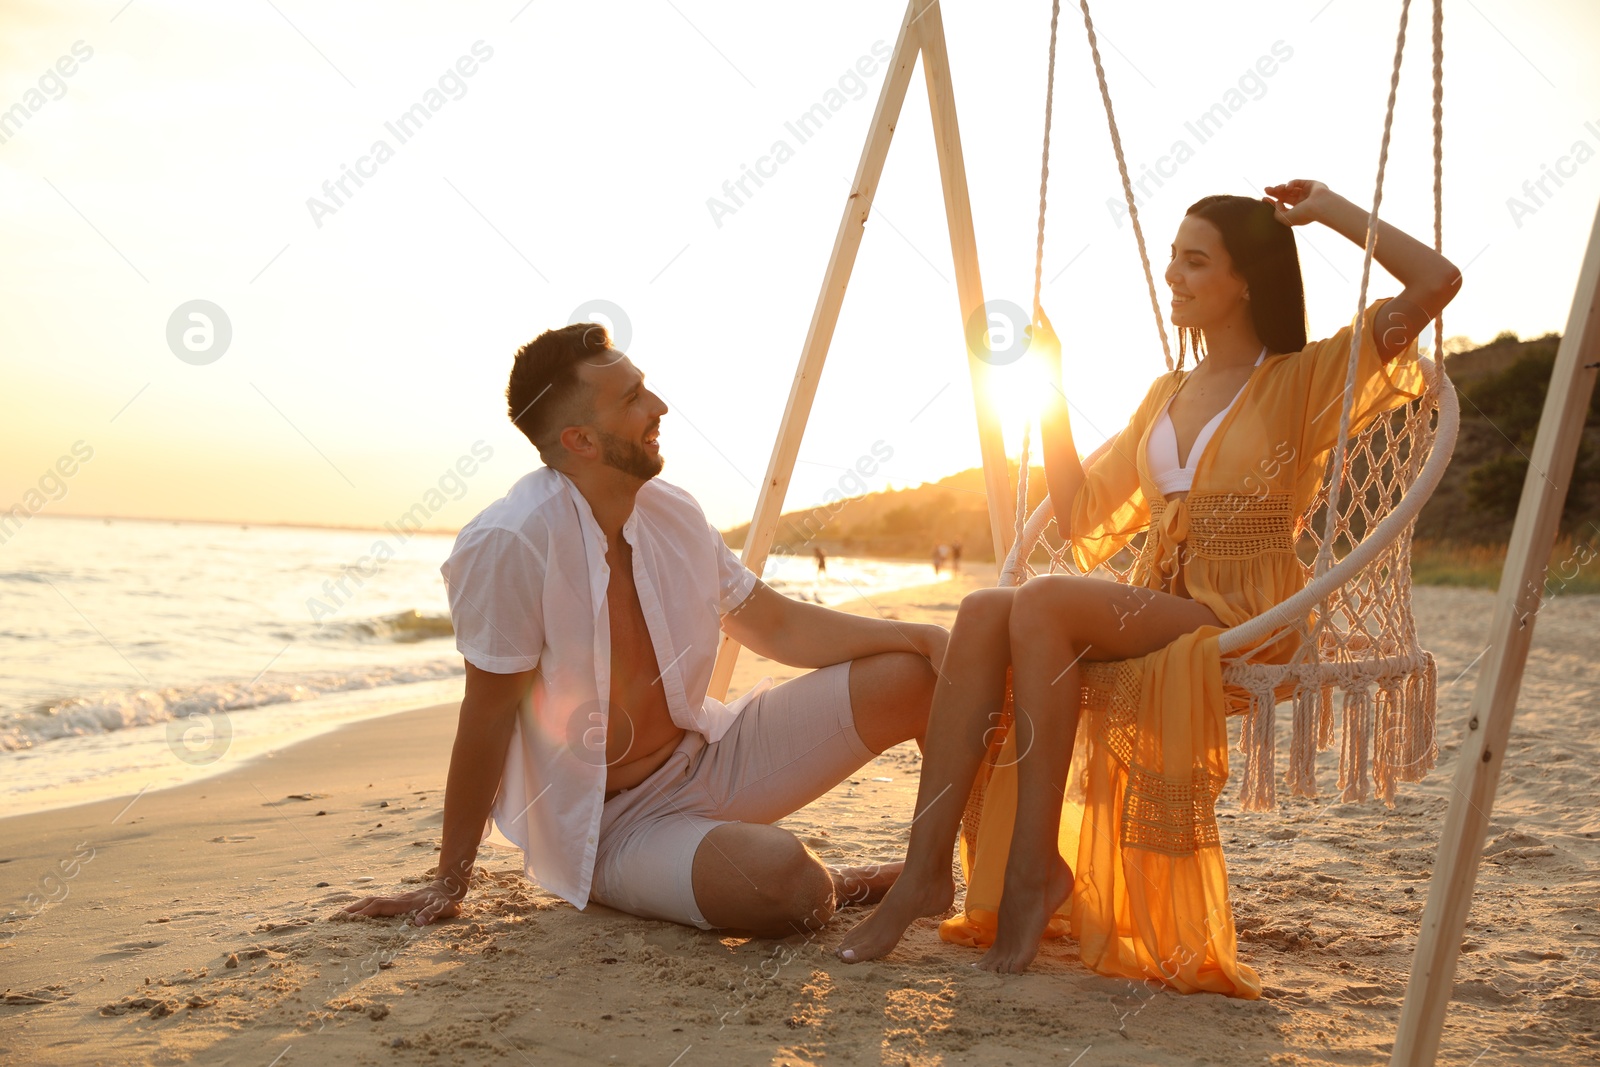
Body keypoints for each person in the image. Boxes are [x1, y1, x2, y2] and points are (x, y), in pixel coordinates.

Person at [835, 180, 1461, 993]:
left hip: (1247, 611)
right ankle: (926, 868)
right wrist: (1048, 383)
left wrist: (1330, 210)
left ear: (1246, 280)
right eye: (1172, 258)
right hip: (1164, 600)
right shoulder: (1166, 393)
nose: (1173, 275)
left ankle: (1032, 871)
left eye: (1195, 261)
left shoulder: (1309, 378)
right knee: (985, 607)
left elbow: (1438, 280)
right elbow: (1081, 511)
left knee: (1045, 601)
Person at [345, 323, 948, 937]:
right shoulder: (512, 541)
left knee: (922, 679)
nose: (658, 407)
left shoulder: (673, 510)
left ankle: (970, 879)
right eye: (632, 399)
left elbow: (778, 626)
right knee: (789, 886)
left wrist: (919, 638)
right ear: (581, 439)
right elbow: (488, 713)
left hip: (710, 755)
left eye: (646, 390)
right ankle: (851, 880)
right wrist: (450, 881)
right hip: (613, 824)